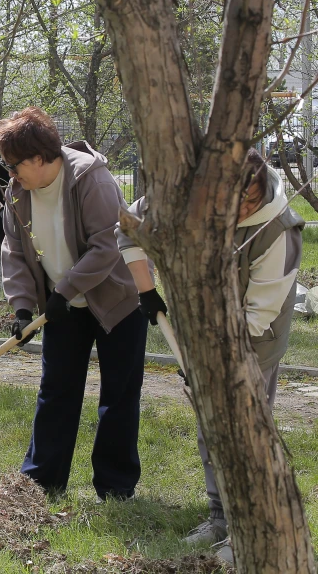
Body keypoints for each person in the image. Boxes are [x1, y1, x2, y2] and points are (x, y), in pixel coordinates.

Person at [119, 148, 302, 563]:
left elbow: (258, 315)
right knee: (209, 426)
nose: (240, 211)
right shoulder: (185, 195)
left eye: (248, 203)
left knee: (244, 431)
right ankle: (220, 517)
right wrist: (147, 291)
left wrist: (211, 363)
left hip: (254, 340)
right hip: (200, 331)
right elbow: (128, 227)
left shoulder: (277, 230)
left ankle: (248, 531)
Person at [0, 106, 146, 500]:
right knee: (56, 390)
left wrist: (64, 290)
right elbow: (13, 251)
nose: (11, 173)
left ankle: (115, 486)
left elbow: (107, 246)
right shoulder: (17, 192)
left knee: (119, 395)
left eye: (14, 164)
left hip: (118, 300)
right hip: (62, 307)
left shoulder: (92, 179)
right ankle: (42, 481)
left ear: (40, 157)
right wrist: (23, 306)